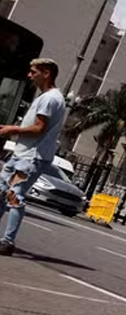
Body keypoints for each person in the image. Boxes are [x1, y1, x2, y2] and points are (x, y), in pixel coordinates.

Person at [0, 58, 67, 256]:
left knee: (15, 195)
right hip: (22, 154)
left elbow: (39, 128)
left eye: (33, 72)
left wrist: (13, 129)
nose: (29, 75)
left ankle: (7, 242)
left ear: (46, 73)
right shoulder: (46, 97)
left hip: (30, 157)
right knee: (2, 191)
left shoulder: (50, 98)